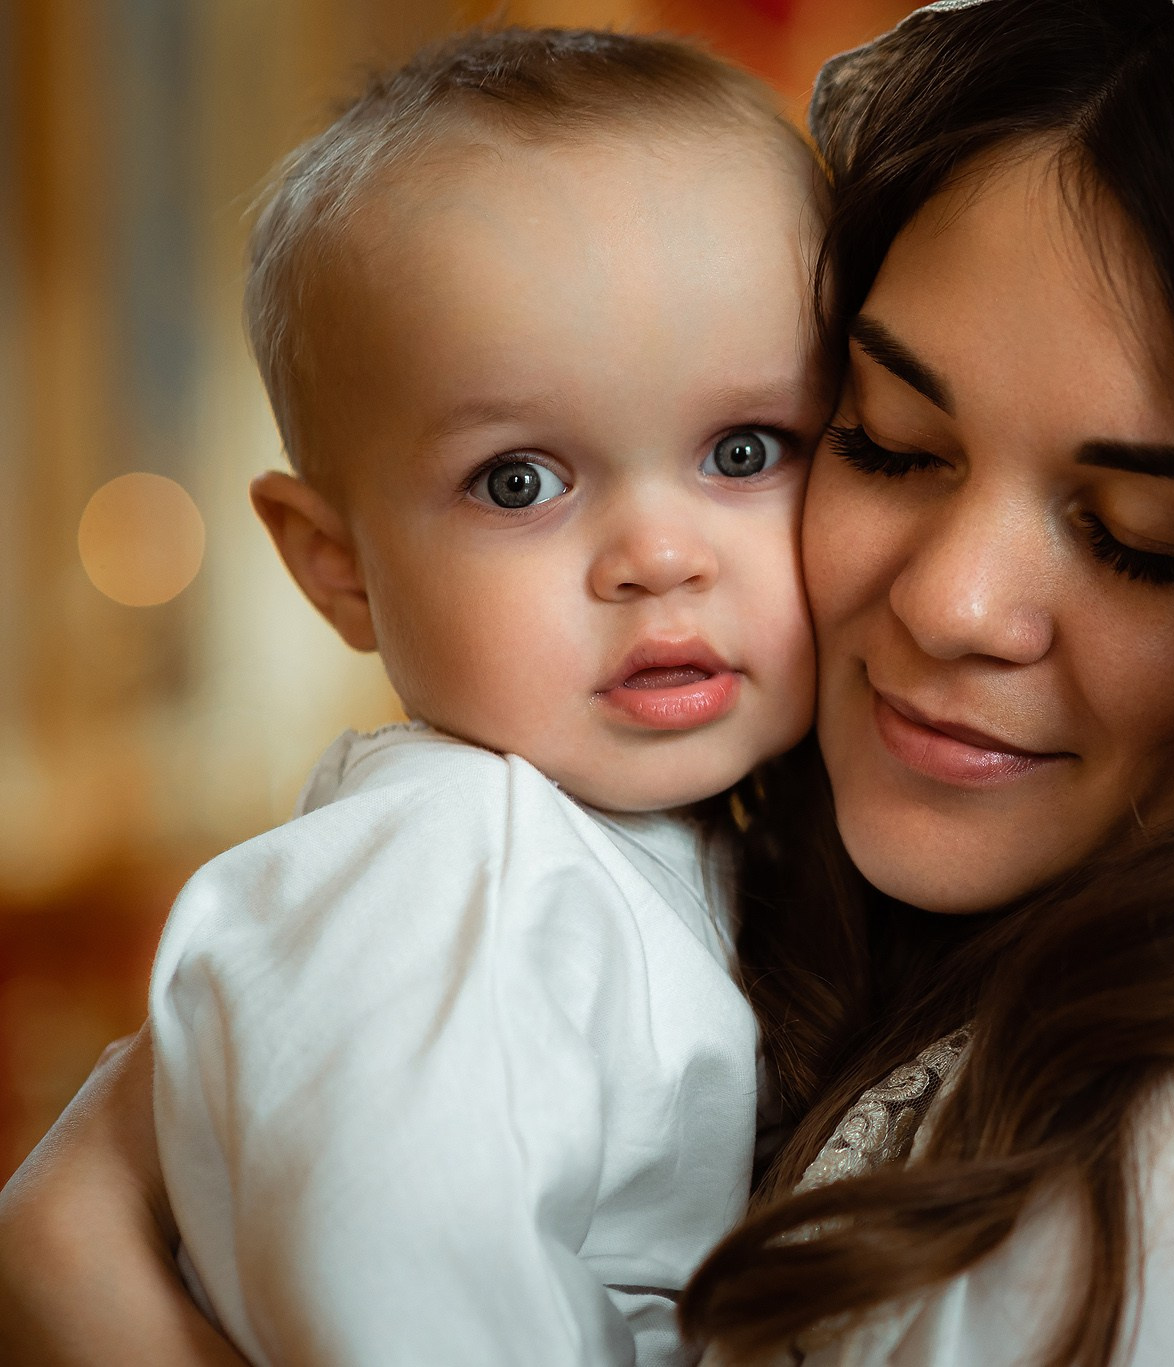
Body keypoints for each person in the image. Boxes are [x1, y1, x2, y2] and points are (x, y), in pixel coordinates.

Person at [0, 3, 1174, 1364]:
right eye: (882, 441)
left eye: (1139, 536)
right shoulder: (738, 910)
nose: (951, 602)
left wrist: (88, 1290)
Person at [144, 28, 828, 1367]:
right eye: (521, 480)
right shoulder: (448, 876)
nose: (659, 556)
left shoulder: (659, 845)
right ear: (334, 565)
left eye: (744, 451)